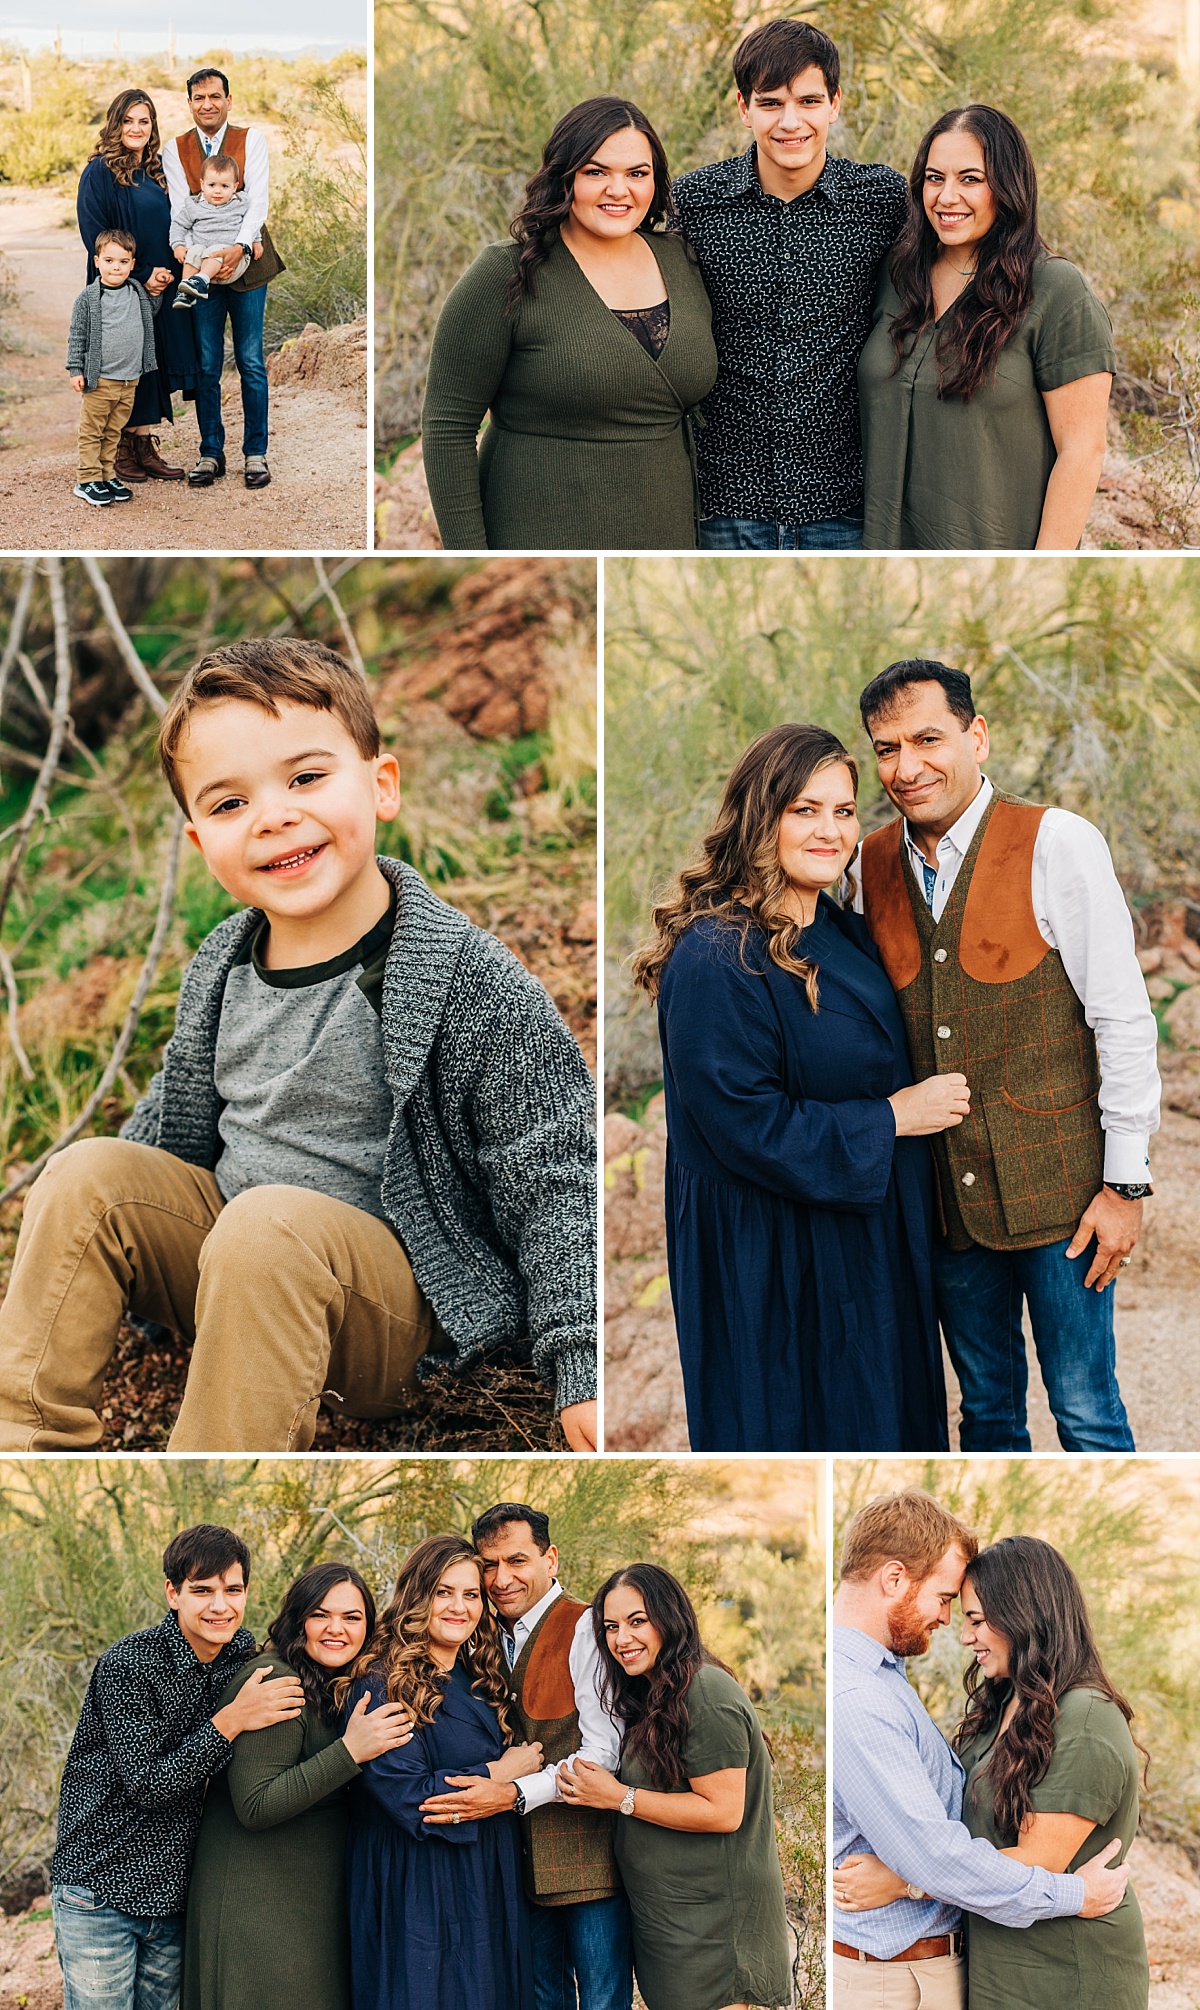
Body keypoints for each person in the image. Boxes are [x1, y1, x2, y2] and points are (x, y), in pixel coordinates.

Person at [0, 638, 597, 1455]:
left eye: (306, 778)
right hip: (231, 1264)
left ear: (381, 786)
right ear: (199, 842)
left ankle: (207, 1477)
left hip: (390, 1312)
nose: (274, 815)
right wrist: (97, 1241)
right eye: (228, 804)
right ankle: (22, 1438)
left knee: (266, 1228)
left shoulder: (463, 977)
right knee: (84, 1174)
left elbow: (555, 1178)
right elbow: (164, 1127)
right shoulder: (221, 968)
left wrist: (584, 1361)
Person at [630, 721, 966, 1453]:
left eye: (844, 811)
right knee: (806, 1428)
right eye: (804, 810)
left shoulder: (841, 933)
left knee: (885, 1426)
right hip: (774, 1265)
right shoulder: (718, 956)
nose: (830, 830)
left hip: (860, 1242)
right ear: (760, 818)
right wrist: (892, 1120)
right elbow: (744, 1123)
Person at [854, 658, 1159, 1450]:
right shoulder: (865, 867)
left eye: (928, 738)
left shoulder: (1057, 842)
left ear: (976, 735)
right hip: (946, 1208)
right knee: (986, 1413)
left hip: (1066, 1198)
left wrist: (1125, 1184)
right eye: (887, 749)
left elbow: (1122, 1018)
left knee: (1087, 1409)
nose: (907, 767)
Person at [830, 1489, 1136, 2009]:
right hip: (930, 1973)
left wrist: (908, 1880)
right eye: (950, 1603)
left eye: (972, 1616)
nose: (953, 1626)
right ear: (894, 1579)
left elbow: (1036, 1856)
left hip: (1060, 1971)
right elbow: (939, 1852)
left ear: (1023, 1617)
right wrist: (918, 1873)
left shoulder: (1079, 1716)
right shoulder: (866, 1696)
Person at [421, 96, 717, 550]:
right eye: (596, 172)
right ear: (564, 177)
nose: (619, 190)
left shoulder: (683, 261)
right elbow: (448, 425)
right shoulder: (506, 272)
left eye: (637, 174)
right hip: (538, 532)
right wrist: (468, 554)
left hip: (665, 532)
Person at [672, 19, 906, 551]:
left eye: (808, 100)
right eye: (771, 103)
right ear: (743, 108)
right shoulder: (695, 203)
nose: (791, 121)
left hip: (842, 506)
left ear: (835, 103)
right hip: (724, 506)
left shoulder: (881, 201)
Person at [50, 1523, 305, 2010]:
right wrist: (231, 1720)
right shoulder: (129, 1664)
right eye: (202, 1591)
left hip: (175, 1899)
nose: (220, 1605)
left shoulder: (241, 1660)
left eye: (233, 1590)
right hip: (100, 1890)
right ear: (173, 1593)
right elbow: (151, 1784)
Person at [858, 105, 1115, 549]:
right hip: (883, 565)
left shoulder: (1055, 290)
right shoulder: (897, 277)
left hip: (993, 571)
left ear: (1007, 186)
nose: (946, 196)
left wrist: (1042, 571)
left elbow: (1082, 451)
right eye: (934, 178)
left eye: (970, 179)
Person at [417, 1503, 632, 2010]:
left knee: (602, 2000)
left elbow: (604, 1751)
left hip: (588, 1861)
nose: (501, 1578)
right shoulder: (479, 1636)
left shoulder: (584, 1628)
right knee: (539, 1999)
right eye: (489, 1565)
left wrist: (511, 1793)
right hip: (516, 1866)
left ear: (550, 1559)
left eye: (517, 1561)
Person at [183, 1562, 415, 2010]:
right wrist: (350, 1752)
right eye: (320, 1614)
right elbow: (257, 1804)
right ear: (298, 1619)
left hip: (310, 1899)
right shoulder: (279, 1681)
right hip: (260, 1905)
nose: (336, 1629)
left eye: (352, 1618)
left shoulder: (338, 1684)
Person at [561, 1562, 791, 2010]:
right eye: (610, 1627)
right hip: (674, 1930)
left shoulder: (705, 1692)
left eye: (637, 1621)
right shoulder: (652, 1695)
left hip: (716, 1937)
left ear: (670, 1617)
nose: (621, 1639)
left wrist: (618, 1797)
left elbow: (723, 1811)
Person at [338, 1534, 540, 2010]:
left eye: (471, 1595)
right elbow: (413, 1798)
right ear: (417, 1596)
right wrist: (501, 1771)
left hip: (485, 1875)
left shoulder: (478, 1680)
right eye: (443, 1592)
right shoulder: (381, 1684)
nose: (458, 1607)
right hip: (416, 1882)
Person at [75, 87, 195, 484]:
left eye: (144, 121)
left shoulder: (158, 170)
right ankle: (121, 447)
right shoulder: (99, 173)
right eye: (128, 120)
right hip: (121, 287)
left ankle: (144, 443)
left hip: (161, 284)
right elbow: (95, 232)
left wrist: (165, 274)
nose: (136, 128)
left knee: (151, 359)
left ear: (152, 126)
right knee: (121, 362)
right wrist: (141, 272)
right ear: (115, 123)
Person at [162, 67, 273, 490]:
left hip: (247, 265)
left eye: (215, 96)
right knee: (208, 364)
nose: (207, 104)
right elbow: (179, 209)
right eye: (198, 97)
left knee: (250, 361)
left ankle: (256, 453)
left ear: (229, 99)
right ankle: (210, 452)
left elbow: (257, 203)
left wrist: (240, 248)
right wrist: (194, 254)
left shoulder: (252, 140)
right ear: (189, 103)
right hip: (200, 262)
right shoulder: (176, 150)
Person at [66, 228, 159, 507]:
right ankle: (87, 479)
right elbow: (77, 335)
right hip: (100, 379)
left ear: (132, 264)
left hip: (130, 379)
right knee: (92, 431)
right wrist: (75, 369)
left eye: (122, 262)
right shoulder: (89, 298)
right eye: (109, 261)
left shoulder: (137, 292)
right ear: (96, 262)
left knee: (114, 432)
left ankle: (106, 475)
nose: (115, 267)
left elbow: (151, 310)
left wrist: (161, 285)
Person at [170, 153, 255, 306]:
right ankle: (185, 291)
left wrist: (256, 241)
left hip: (232, 261)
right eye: (212, 185)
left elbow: (250, 223)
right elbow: (178, 225)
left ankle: (201, 281)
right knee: (195, 250)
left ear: (234, 187)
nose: (217, 191)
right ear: (202, 185)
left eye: (224, 186)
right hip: (205, 258)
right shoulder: (193, 206)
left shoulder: (240, 203)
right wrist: (177, 245)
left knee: (214, 250)